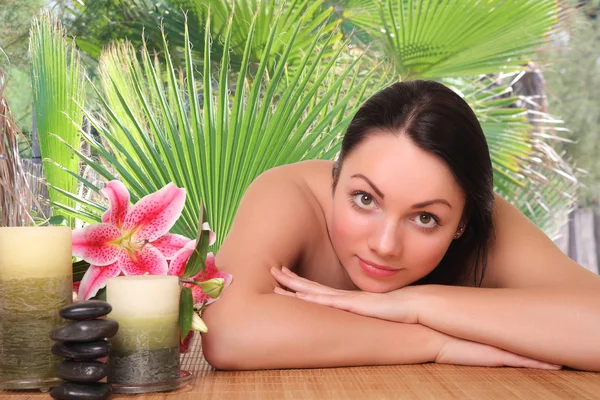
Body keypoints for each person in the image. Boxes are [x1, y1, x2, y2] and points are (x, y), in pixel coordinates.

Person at [201, 80, 600, 371]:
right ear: (335, 178)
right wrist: (436, 341)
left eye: (425, 218)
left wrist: (416, 304)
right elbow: (229, 332)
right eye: (365, 199)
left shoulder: (484, 221)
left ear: (461, 222)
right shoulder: (287, 194)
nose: (386, 245)